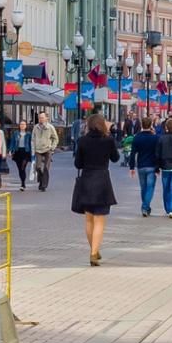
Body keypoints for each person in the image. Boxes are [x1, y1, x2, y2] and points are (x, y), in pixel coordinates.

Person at [70, 112, 119, 266]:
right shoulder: (108, 140)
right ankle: (93, 253)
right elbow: (116, 158)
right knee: (100, 220)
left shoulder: (82, 140)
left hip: (86, 180)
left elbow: (78, 164)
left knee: (89, 219)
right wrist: (111, 133)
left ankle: (94, 250)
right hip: (102, 180)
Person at [126, 119, 160, 216]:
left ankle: (146, 207)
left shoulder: (137, 138)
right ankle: (145, 207)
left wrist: (131, 167)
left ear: (141, 125)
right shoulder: (155, 138)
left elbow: (132, 154)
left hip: (141, 165)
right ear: (151, 125)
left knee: (143, 188)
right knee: (150, 187)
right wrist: (158, 167)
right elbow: (157, 154)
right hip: (152, 165)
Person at [32, 112, 59, 191]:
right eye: (39, 118)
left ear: (46, 118)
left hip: (47, 149)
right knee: (38, 167)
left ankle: (43, 185)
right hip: (38, 150)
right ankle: (41, 180)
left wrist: (52, 148)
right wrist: (33, 149)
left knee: (46, 168)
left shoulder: (50, 127)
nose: (41, 119)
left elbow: (56, 139)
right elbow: (33, 139)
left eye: (42, 117)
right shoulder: (35, 127)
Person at [9, 118, 35, 190]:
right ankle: (22, 182)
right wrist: (10, 150)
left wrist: (33, 152)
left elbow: (31, 143)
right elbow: (12, 142)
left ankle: (23, 184)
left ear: (26, 125)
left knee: (23, 167)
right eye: (21, 124)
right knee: (20, 169)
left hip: (26, 152)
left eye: (24, 124)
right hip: (18, 152)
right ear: (19, 125)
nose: (22, 126)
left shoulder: (29, 134)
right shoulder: (16, 133)